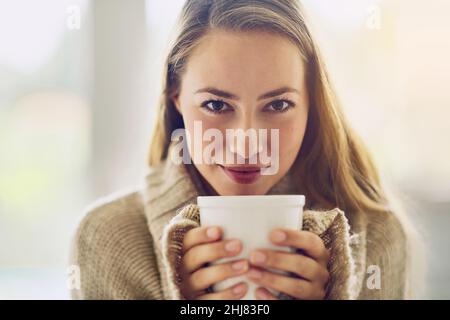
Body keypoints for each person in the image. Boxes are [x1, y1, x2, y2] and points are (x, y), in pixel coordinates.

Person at [70, 0, 422, 300]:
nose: (247, 142)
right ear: (175, 97)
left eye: (279, 105)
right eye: (217, 105)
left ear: (312, 104)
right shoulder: (107, 238)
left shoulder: (377, 233)